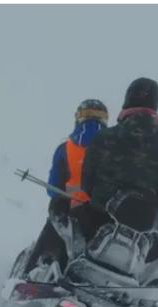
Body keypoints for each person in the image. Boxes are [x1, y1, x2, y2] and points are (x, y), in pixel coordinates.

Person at [78, 77, 158, 256]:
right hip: (142, 239)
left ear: (127, 100)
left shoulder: (104, 137)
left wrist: (103, 197)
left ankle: (38, 268)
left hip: (95, 225)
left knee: (60, 226)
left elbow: (86, 183)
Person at [22, 99, 109, 275]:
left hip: (70, 213)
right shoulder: (115, 149)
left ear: (78, 118)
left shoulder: (66, 148)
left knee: (48, 246)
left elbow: (52, 188)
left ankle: (32, 272)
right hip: (105, 219)